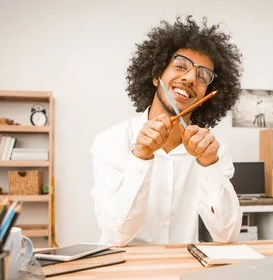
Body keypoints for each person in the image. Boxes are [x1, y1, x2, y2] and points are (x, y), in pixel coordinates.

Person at [90, 15, 244, 246]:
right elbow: (116, 235)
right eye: (180, 65)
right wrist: (140, 157)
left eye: (203, 76)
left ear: (206, 96)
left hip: (180, 271)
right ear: (156, 76)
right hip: (121, 270)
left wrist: (209, 164)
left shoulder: (213, 151)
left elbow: (227, 235)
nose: (190, 78)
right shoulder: (111, 142)